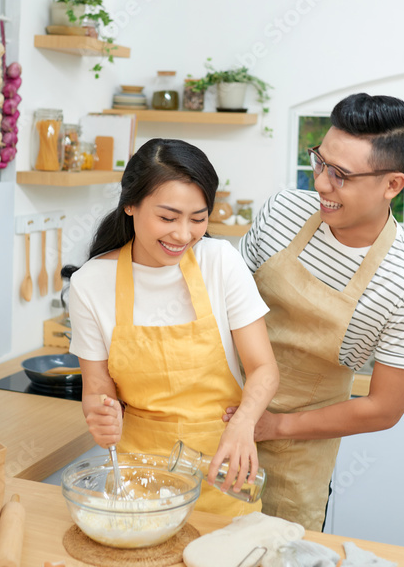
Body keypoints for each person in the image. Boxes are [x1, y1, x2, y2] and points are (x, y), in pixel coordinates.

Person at [230, 93, 404, 530]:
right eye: (319, 162)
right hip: (214, 413)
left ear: (392, 185)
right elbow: (222, 302)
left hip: (295, 452)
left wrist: (274, 427)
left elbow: (383, 408)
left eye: (341, 174)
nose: (322, 184)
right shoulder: (282, 212)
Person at [68, 137, 280, 516]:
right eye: (167, 218)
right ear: (130, 205)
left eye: (198, 219)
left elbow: (264, 367)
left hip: (223, 476)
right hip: (139, 483)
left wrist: (244, 422)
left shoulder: (220, 263)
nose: (183, 235)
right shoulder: (90, 282)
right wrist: (99, 414)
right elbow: (98, 387)